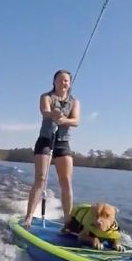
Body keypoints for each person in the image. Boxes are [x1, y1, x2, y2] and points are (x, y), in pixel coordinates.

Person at [23, 70, 80, 228]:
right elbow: (45, 112)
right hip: (46, 140)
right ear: (54, 82)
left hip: (63, 142)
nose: (63, 83)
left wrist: (64, 119)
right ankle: (28, 217)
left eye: (66, 81)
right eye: (60, 80)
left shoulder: (74, 102)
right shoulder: (46, 97)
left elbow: (76, 121)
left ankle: (68, 221)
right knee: (41, 179)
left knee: (66, 181)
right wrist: (54, 114)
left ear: (70, 84)